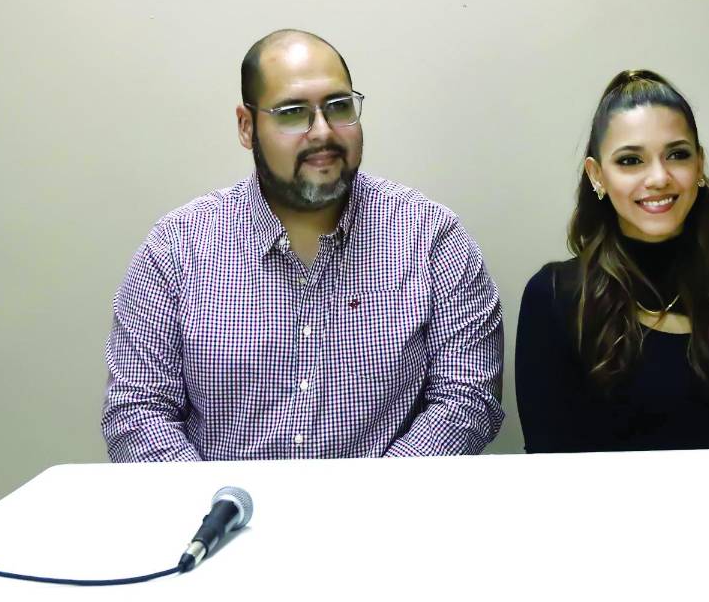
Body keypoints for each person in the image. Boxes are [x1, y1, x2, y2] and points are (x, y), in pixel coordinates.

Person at [102, 29, 504, 461]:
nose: (322, 132)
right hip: (226, 519)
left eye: (339, 106)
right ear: (246, 126)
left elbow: (468, 397)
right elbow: (136, 412)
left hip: (383, 517)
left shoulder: (430, 237)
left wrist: (370, 506)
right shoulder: (177, 248)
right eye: (293, 113)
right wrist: (220, 509)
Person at [515, 70, 709, 453]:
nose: (658, 177)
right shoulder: (553, 297)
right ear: (597, 176)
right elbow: (550, 461)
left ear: (700, 165)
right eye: (630, 161)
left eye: (677, 154)